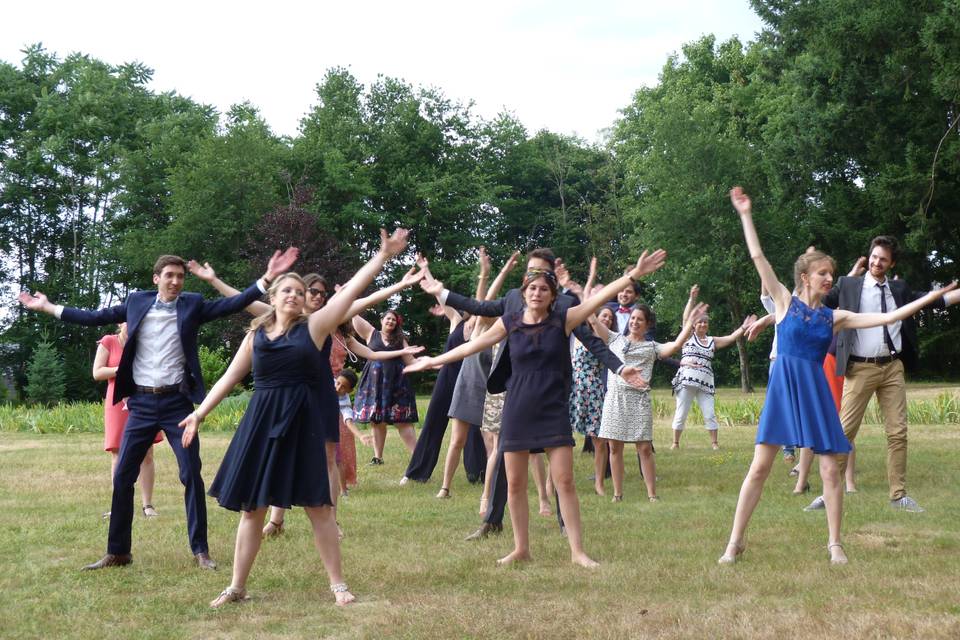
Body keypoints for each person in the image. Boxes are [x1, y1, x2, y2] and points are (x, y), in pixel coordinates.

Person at [19, 249, 298, 570]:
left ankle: (200, 550)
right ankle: (118, 551)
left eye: (180, 276)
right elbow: (95, 316)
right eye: (170, 276)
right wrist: (49, 307)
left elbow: (230, 305)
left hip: (176, 405)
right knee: (123, 476)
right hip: (140, 404)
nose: (176, 281)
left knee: (191, 474)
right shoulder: (137, 302)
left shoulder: (192, 304)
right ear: (157, 279)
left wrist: (266, 279)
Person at [719, 187, 954, 566]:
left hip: (815, 394)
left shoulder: (835, 317)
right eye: (823, 273)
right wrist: (746, 214)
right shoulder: (783, 302)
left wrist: (929, 299)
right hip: (783, 392)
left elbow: (889, 317)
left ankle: (835, 545)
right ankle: (734, 542)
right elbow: (758, 256)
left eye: (831, 273)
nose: (830, 278)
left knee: (830, 469)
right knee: (759, 468)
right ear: (805, 277)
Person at [180, 228, 409, 608]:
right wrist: (199, 414)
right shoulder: (255, 334)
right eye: (287, 290)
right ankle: (236, 587)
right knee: (252, 508)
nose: (294, 296)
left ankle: (338, 585)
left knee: (318, 506)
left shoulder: (315, 328)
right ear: (272, 297)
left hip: (302, 422)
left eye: (300, 293)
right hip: (261, 422)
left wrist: (383, 257)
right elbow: (230, 377)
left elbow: (352, 290)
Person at [407, 248, 667, 567]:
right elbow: (474, 343)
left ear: (552, 293)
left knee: (565, 481)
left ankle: (577, 552)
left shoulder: (564, 319)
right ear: (523, 291)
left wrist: (633, 275)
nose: (536, 292)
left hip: (552, 408)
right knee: (515, 483)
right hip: (517, 407)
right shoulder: (510, 321)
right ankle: (521, 548)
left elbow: (597, 303)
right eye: (531, 287)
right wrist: (434, 360)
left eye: (543, 288)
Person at [186, 262, 423, 536]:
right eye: (312, 290)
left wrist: (400, 286)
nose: (318, 295)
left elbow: (362, 301)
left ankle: (330, 519)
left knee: (328, 458)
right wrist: (215, 280)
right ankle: (276, 520)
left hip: (321, 394)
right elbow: (244, 300)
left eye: (322, 292)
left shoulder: (328, 322)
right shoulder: (279, 318)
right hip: (290, 395)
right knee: (281, 454)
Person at [802, 235, 960, 513]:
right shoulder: (848, 285)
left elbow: (934, 302)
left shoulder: (899, 289)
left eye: (883, 259)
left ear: (891, 263)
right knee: (843, 432)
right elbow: (815, 301)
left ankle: (899, 495)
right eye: (874, 257)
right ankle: (829, 494)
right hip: (860, 368)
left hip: (892, 368)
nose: (876, 262)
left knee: (898, 432)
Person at [594, 303, 705, 501]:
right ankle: (617, 494)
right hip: (615, 399)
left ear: (647, 324)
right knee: (615, 448)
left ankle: (652, 495)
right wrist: (582, 294)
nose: (635, 322)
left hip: (639, 400)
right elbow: (593, 321)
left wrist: (689, 322)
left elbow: (676, 345)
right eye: (633, 318)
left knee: (644, 448)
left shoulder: (652, 347)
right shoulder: (615, 338)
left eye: (640, 320)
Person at [437, 248, 517, 499]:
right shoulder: (479, 328)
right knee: (456, 440)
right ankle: (445, 487)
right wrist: (497, 271)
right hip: (468, 388)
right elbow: (483, 299)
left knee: (491, 444)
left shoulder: (507, 337)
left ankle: (488, 492)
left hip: (491, 394)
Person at [669, 285, 756, 450]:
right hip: (687, 381)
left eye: (705, 322)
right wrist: (692, 299)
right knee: (681, 413)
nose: (702, 324)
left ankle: (714, 443)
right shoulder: (687, 337)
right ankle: (675, 443)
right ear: (694, 326)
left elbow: (730, 338)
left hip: (705, 382)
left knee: (709, 413)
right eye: (699, 322)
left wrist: (743, 328)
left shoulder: (711, 341)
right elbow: (686, 318)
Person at [93, 323, 163, 519]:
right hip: (116, 403)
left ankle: (147, 505)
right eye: (128, 319)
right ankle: (119, 506)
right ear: (119, 323)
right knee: (118, 453)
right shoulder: (109, 341)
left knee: (147, 452)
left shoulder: (145, 342)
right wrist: (121, 369)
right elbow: (97, 373)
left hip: (143, 400)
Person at [352, 309, 420, 463]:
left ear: (397, 324)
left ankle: (417, 458)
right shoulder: (371, 333)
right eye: (388, 319)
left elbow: (410, 361)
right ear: (381, 320)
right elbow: (354, 317)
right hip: (374, 384)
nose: (390, 322)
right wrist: (351, 299)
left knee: (402, 420)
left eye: (393, 320)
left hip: (397, 383)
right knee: (376, 420)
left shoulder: (400, 339)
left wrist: (431, 363)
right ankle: (378, 457)